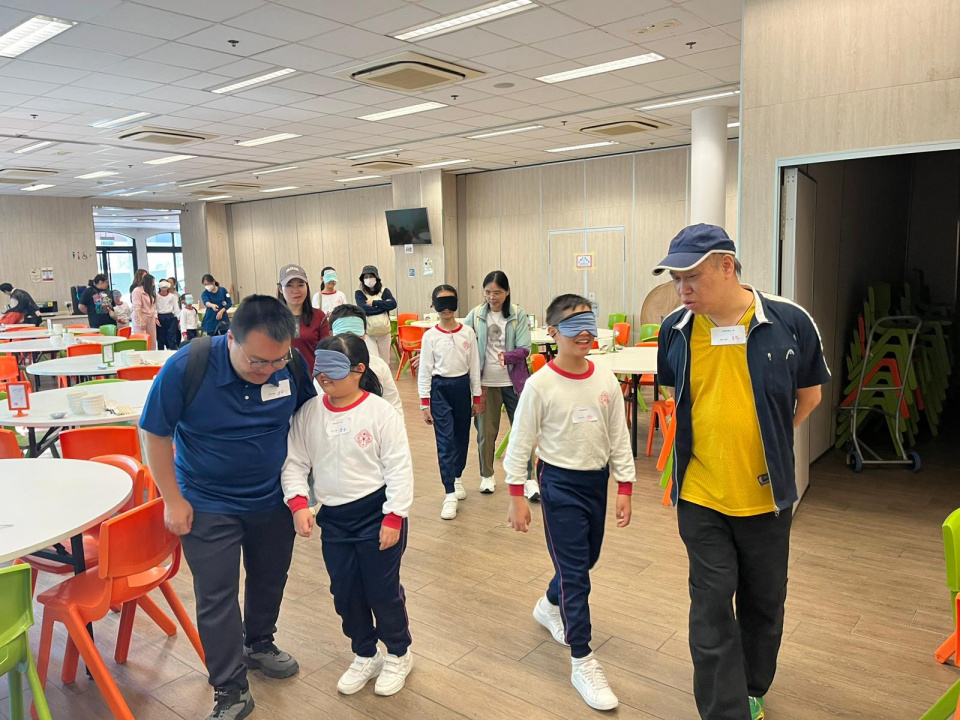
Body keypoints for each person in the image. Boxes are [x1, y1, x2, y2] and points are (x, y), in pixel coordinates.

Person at [653, 224, 830, 720]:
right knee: (710, 607)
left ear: (726, 266)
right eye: (676, 279)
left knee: (764, 603)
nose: (682, 289)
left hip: (766, 498)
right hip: (700, 494)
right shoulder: (676, 329)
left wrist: (767, 438)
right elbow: (675, 394)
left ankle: (752, 686)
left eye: (691, 277)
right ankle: (723, 711)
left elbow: (810, 396)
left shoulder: (789, 321)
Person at [140, 295, 317, 720]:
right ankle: (230, 688)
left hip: (272, 497)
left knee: (270, 576)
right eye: (257, 361)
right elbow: (155, 434)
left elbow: (307, 419)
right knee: (217, 595)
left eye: (276, 361)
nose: (267, 370)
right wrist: (172, 500)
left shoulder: (290, 365)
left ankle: (259, 643)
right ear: (231, 339)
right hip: (207, 501)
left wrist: (307, 489)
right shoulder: (188, 366)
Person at [505, 293, 634, 712]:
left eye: (589, 323)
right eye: (573, 324)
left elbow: (619, 436)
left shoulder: (606, 379)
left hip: (596, 481)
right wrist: (516, 494)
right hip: (558, 483)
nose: (584, 332)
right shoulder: (540, 384)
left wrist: (625, 485)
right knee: (577, 575)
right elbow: (520, 441)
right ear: (552, 332)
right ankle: (583, 659)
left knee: (584, 560)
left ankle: (548, 604)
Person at [281, 334, 415, 697]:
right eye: (320, 367)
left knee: (382, 591)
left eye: (334, 368)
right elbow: (295, 462)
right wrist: (298, 503)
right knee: (345, 591)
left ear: (359, 370)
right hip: (335, 520)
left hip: (378, 515)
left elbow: (399, 467)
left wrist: (394, 516)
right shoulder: (309, 413)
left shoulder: (379, 412)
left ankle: (399, 653)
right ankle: (365, 653)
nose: (324, 375)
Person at [463, 270, 536, 498]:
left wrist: (508, 356)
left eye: (497, 292)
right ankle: (487, 475)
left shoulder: (517, 314)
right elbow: (461, 339)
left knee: (523, 431)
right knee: (485, 433)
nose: (492, 297)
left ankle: (528, 479)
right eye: (487, 292)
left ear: (507, 292)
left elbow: (525, 348)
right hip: (485, 383)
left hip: (514, 383)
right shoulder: (476, 315)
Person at [417, 285, 483, 520]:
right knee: (445, 441)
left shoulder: (468, 333)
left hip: (462, 387)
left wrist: (477, 396)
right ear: (433, 305)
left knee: (461, 437)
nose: (446, 308)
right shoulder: (430, 336)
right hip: (440, 390)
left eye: (450, 302)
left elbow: (474, 365)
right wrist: (424, 402)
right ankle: (449, 493)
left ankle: (457, 477)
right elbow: (425, 370)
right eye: (440, 302)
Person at [328, 304, 404, 419]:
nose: (349, 341)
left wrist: (399, 427)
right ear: (331, 334)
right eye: (344, 335)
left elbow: (393, 402)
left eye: (355, 335)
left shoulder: (379, 366)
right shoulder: (326, 370)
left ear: (365, 333)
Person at [276, 264, 330, 365]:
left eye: (300, 285)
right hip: (281, 374)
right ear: (280, 289)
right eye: (289, 285)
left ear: (307, 286)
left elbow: (326, 353)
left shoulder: (319, 316)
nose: (296, 290)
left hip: (312, 374)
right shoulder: (271, 319)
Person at [356, 265, 396, 365]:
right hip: (369, 333)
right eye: (366, 277)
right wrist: (383, 307)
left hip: (384, 332)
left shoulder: (385, 291)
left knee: (385, 361)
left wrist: (374, 303)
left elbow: (393, 304)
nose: (368, 279)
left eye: (371, 276)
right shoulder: (359, 293)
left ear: (376, 277)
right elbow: (363, 309)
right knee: (373, 361)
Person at [131, 273, 159, 349]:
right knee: (142, 338)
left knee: (152, 339)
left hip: (150, 316)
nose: (153, 284)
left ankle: (152, 354)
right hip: (141, 315)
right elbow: (137, 306)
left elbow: (153, 305)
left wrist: (155, 317)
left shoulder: (150, 291)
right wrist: (141, 319)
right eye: (152, 282)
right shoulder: (137, 291)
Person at [156, 279, 181, 351]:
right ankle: (160, 353)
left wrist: (178, 318)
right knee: (160, 337)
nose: (164, 286)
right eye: (162, 284)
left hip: (170, 317)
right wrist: (155, 317)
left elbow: (176, 308)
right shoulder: (156, 296)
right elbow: (154, 308)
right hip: (160, 316)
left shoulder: (172, 296)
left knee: (171, 336)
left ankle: (173, 352)